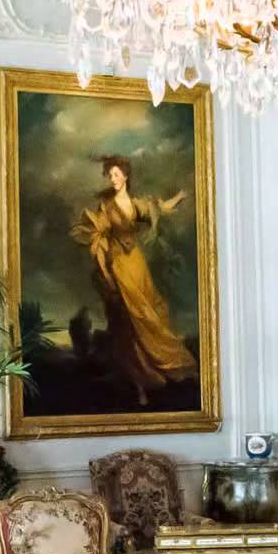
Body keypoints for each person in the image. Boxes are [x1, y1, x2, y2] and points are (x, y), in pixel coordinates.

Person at [71, 156, 198, 406]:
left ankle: (168, 363)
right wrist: (103, 263)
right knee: (133, 315)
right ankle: (141, 378)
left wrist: (180, 197)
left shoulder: (138, 203)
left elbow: (160, 208)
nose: (113, 179)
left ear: (126, 176)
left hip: (137, 262)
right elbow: (96, 234)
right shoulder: (106, 207)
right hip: (117, 262)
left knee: (149, 310)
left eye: (117, 174)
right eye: (110, 175)